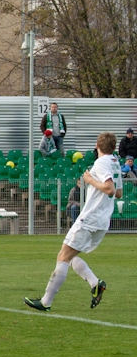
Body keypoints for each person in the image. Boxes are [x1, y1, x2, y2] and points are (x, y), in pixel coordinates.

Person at [25, 132, 123, 312]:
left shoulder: (101, 162)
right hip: (102, 221)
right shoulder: (115, 163)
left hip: (91, 218)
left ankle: (46, 302)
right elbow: (119, 193)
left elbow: (110, 190)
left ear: (97, 145)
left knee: (62, 257)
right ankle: (95, 284)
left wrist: (90, 180)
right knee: (69, 257)